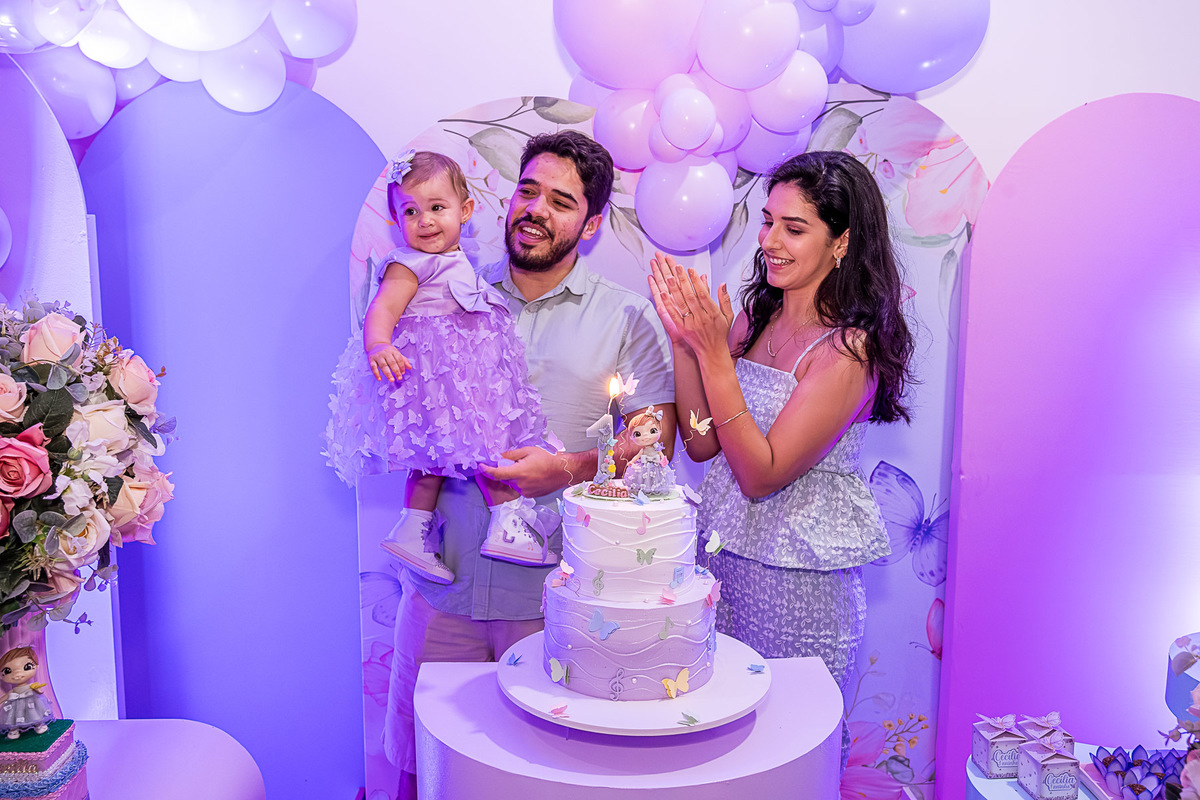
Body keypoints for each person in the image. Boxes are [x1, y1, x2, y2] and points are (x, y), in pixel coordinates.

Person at [384, 131, 676, 798]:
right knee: (420, 773)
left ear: (592, 223)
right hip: (442, 593)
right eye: (528, 189)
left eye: (561, 200)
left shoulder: (626, 318)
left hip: (555, 605)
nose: (536, 208)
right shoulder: (444, 295)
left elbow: (652, 445)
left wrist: (567, 469)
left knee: (547, 780)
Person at [649, 150, 914, 767]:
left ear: (842, 242)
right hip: (725, 575)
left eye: (794, 229)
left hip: (802, 595)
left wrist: (715, 358)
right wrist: (686, 346)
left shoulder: (849, 351)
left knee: (786, 759)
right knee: (719, 750)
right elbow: (700, 441)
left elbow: (761, 474)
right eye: (767, 222)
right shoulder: (755, 318)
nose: (770, 241)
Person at [324, 150, 559, 584]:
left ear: (464, 211)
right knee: (488, 449)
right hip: (438, 381)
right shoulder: (408, 264)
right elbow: (383, 311)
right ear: (396, 220)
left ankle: (412, 528)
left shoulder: (456, 261)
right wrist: (378, 344)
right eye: (410, 211)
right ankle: (505, 522)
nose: (425, 220)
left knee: (432, 460)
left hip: (460, 380)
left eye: (436, 207)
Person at [0, 646, 53, 738]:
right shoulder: (13, 691)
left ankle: (38, 725)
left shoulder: (31, 686)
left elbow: (39, 691)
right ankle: (14, 730)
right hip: (15, 706)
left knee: (35, 714)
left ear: (36, 666)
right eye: (8, 671)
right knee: (12, 717)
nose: (17, 675)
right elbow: (6, 696)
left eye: (27, 667)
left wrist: (38, 690)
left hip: (31, 703)